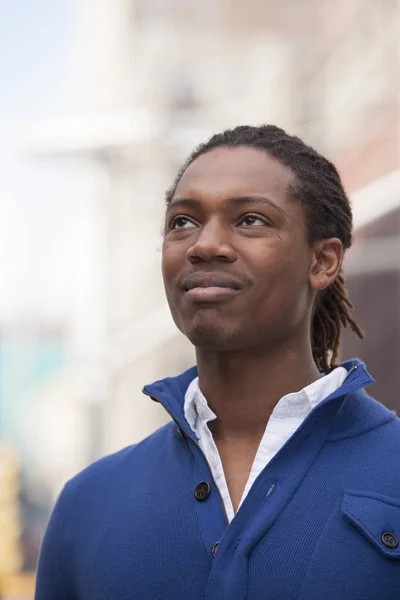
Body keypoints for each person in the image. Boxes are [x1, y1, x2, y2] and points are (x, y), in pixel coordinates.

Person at [35, 125, 400, 600]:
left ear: (323, 262)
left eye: (249, 219)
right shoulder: (86, 505)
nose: (203, 244)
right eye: (182, 222)